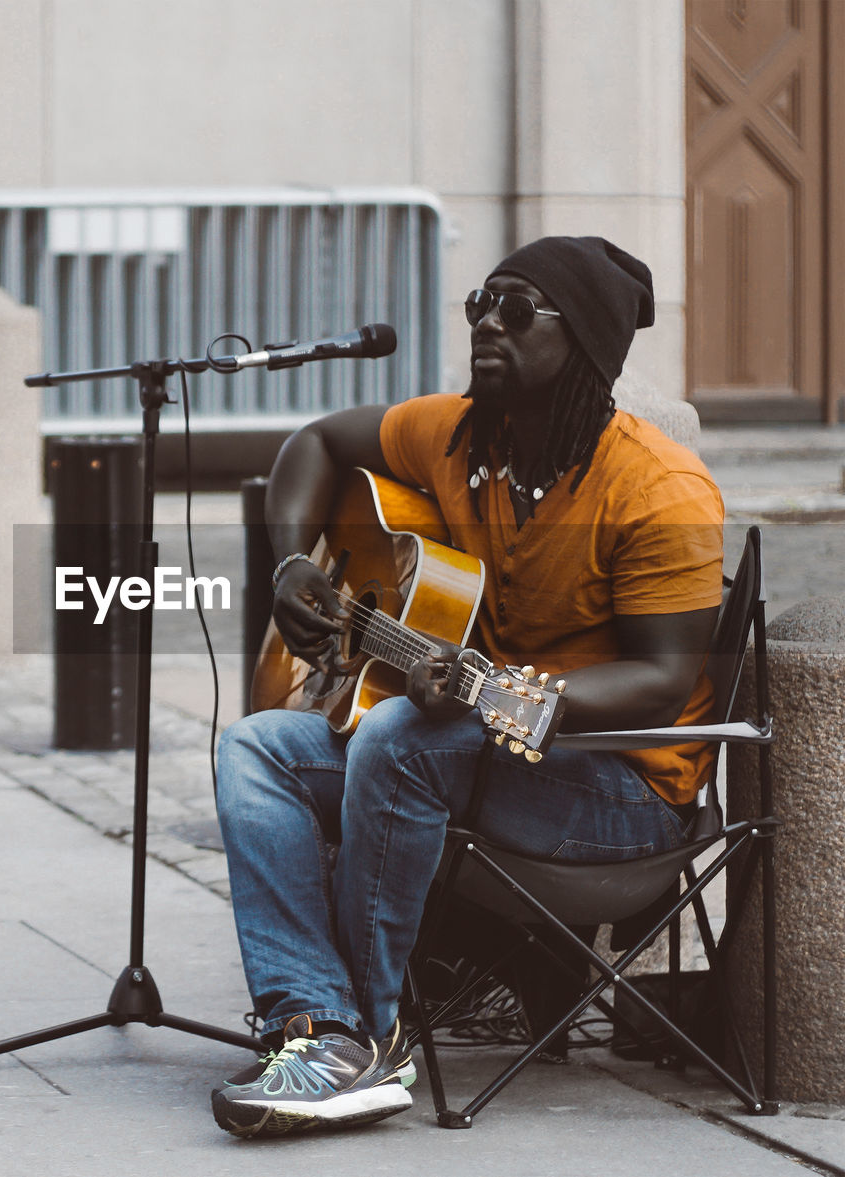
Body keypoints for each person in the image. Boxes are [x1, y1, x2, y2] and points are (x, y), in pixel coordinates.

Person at [210, 236, 725, 1139]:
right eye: (481, 302)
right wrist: (293, 559)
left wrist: (504, 695)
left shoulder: (658, 487)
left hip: (623, 788)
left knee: (400, 737)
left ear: (587, 345)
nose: (488, 321)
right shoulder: (456, 435)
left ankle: (372, 1036)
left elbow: (660, 681)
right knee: (258, 747)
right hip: (482, 747)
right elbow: (315, 443)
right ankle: (315, 1023)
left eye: (517, 310)